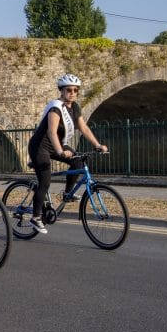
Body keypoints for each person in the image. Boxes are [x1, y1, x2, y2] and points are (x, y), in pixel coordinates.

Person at [27, 74, 108, 234]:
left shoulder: (75, 107)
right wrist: (59, 151)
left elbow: (83, 128)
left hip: (58, 145)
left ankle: (67, 194)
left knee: (78, 161)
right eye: (68, 90)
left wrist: (97, 145)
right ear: (62, 91)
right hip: (40, 146)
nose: (72, 93)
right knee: (45, 180)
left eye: (75, 90)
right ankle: (35, 218)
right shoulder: (56, 108)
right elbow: (51, 132)